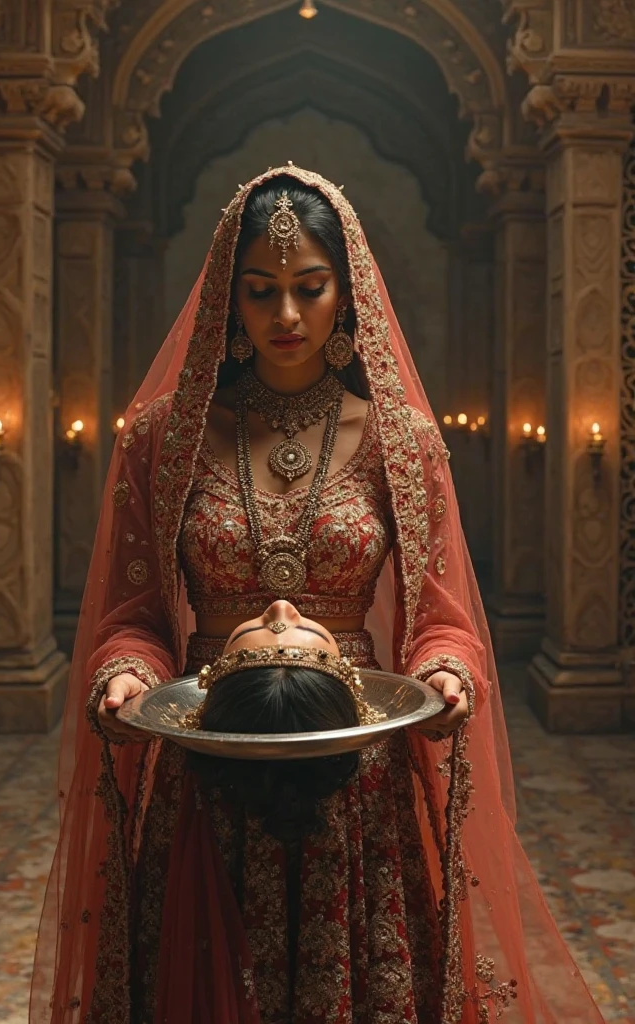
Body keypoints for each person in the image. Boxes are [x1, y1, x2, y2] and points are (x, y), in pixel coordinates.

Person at [31, 166, 605, 1024]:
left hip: (357, 775)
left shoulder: (401, 443)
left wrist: (447, 672)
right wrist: (123, 674)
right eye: (261, 292)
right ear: (230, 299)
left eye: (309, 288)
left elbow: (443, 620)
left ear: (349, 291)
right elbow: (135, 617)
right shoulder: (165, 440)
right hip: (210, 759)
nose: (287, 317)